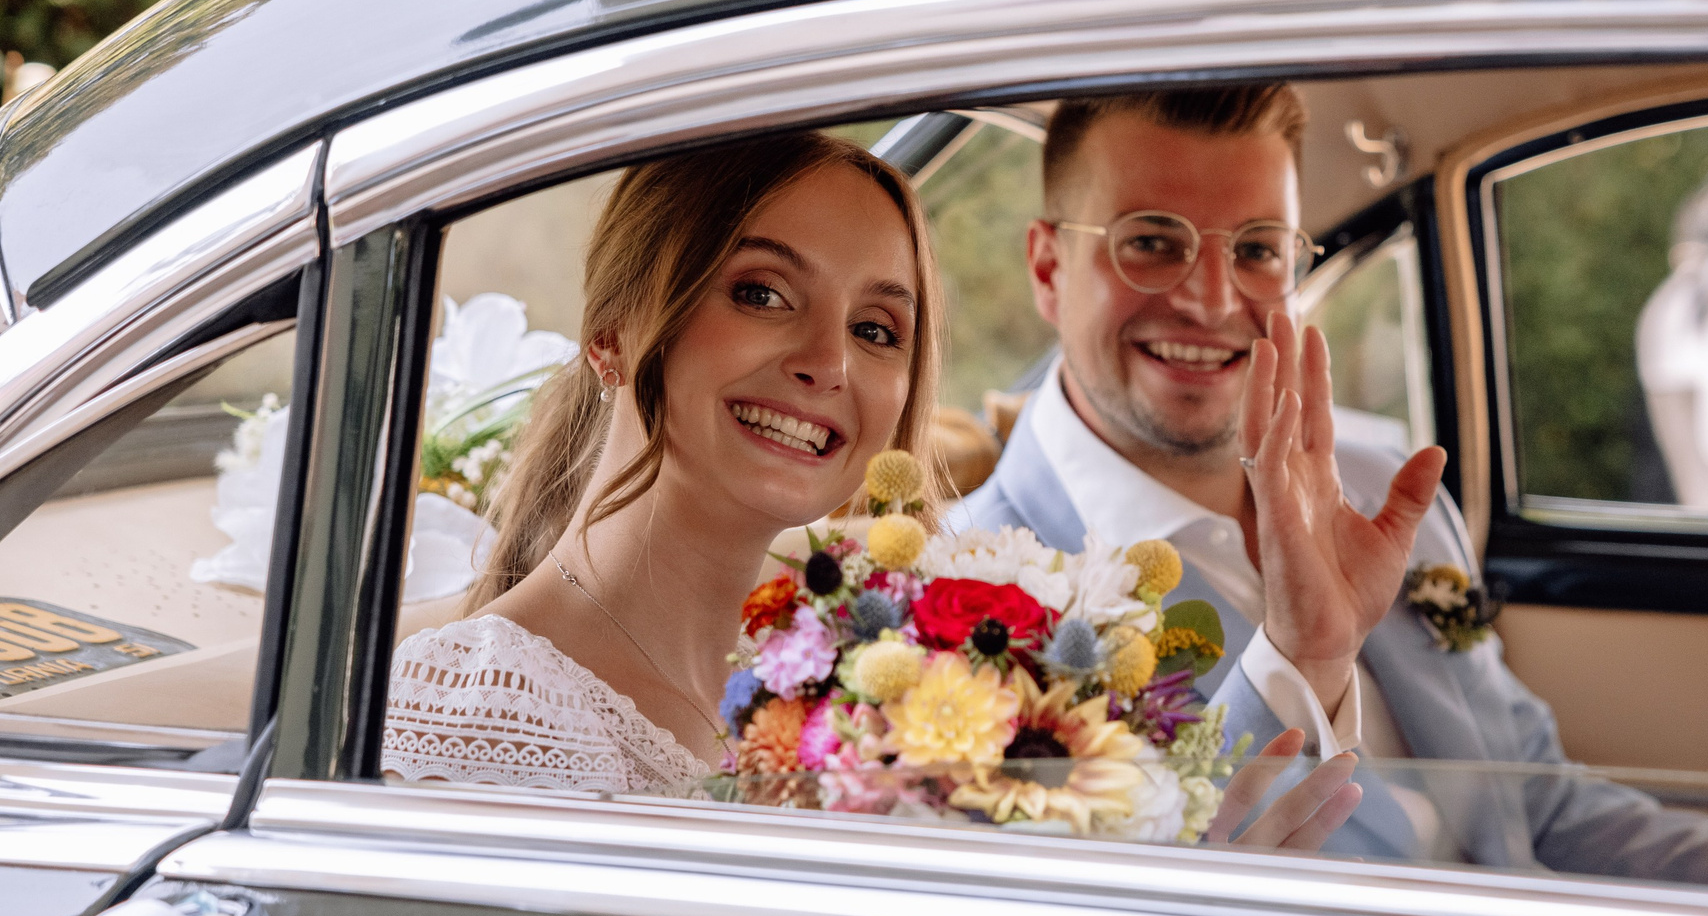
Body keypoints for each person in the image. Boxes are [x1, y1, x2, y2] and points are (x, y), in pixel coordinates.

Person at [957, 86, 1708, 897]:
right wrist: (1306, 654)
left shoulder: (1383, 488)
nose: (1212, 299)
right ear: (1049, 266)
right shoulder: (976, 609)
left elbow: (1531, 800)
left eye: (1256, 249)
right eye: (1152, 242)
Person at [383, 130, 1358, 850]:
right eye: (761, 293)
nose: (829, 362)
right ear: (612, 333)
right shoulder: (465, 720)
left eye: (878, 329)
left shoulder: (904, 660)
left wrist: (1301, 654)